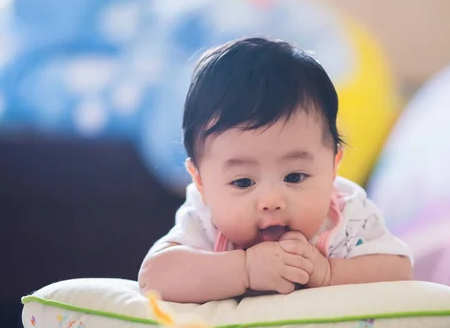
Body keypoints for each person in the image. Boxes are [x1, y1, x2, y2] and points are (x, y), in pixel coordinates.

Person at [138, 37, 413, 304]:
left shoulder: (347, 214)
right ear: (201, 182)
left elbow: (399, 271)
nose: (272, 201)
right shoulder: (205, 219)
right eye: (243, 182)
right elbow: (154, 278)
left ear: (332, 168)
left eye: (294, 177)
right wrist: (244, 269)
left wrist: (328, 273)